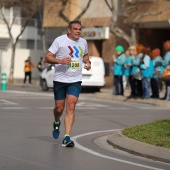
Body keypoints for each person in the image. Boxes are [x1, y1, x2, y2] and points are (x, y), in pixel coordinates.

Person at [45, 20, 91, 147]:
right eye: (75, 29)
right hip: (60, 80)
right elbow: (47, 57)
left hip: (75, 80)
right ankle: (56, 121)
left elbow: (85, 55)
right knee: (59, 108)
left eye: (80, 29)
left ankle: (67, 137)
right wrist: (60, 60)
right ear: (69, 30)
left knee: (71, 106)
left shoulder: (83, 42)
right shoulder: (60, 41)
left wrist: (88, 63)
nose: (78, 31)